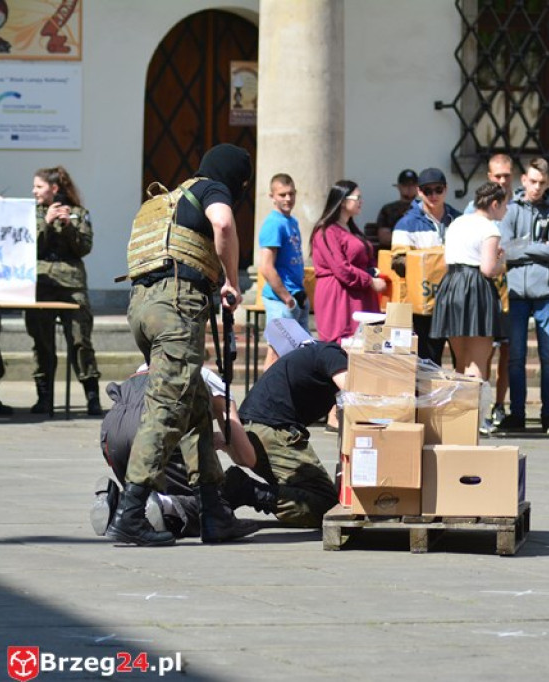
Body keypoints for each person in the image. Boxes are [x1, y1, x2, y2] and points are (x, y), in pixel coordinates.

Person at [105, 143, 256, 547]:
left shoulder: (163, 202)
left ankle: (213, 514)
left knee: (194, 407)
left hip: (141, 307)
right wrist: (232, 281)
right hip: (176, 306)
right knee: (166, 409)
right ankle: (130, 514)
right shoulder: (212, 189)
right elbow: (223, 224)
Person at [95, 365, 257, 539]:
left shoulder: (143, 367)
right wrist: (225, 442)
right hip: (152, 429)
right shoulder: (207, 377)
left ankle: (119, 504)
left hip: (113, 433)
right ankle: (167, 506)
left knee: (141, 493)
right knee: (214, 503)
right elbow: (247, 457)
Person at [222, 340, 346, 528]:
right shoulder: (333, 354)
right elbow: (354, 392)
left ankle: (234, 491)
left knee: (310, 495)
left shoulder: (319, 353)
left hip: (259, 428)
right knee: (327, 508)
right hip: (271, 431)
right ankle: (247, 490)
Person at [498, 158, 549, 435]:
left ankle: (548, 415)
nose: (537, 187)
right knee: (516, 357)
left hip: (546, 293)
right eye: (532, 181)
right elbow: (505, 249)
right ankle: (517, 414)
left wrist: (523, 246)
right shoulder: (510, 209)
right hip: (515, 292)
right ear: (524, 180)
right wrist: (537, 246)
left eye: (542, 183)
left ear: (547, 183)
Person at [27, 166, 102, 416]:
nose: (34, 191)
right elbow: (26, 249)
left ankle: (92, 397)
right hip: (41, 285)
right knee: (42, 343)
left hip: (72, 287)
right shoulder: (31, 214)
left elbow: (84, 247)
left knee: (81, 342)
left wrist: (68, 225)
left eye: (39, 186)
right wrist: (46, 224)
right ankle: (44, 398)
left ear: (54, 188)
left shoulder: (80, 213)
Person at [431, 181, 506, 381]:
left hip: (451, 284)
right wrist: (502, 263)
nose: (506, 210)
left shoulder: (457, 222)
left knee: (460, 361)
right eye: (505, 205)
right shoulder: (490, 228)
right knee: (477, 363)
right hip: (476, 288)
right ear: (495, 204)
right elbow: (488, 269)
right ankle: (474, 412)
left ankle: (460, 412)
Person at [391, 167, 462, 366]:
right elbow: (398, 262)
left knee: (462, 360)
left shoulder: (459, 220)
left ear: (446, 189)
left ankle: (460, 398)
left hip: (456, 300)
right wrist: (431, 263)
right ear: (419, 192)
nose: (433, 195)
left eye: (438, 189)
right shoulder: (406, 223)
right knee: (429, 361)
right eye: (427, 190)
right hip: (426, 304)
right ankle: (429, 398)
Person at [466, 154, 516, 425]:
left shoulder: (517, 205)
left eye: (506, 176)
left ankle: (499, 405)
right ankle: (479, 411)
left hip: (509, 287)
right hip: (483, 287)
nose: (502, 180)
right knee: (482, 351)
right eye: (497, 176)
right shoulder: (471, 211)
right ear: (488, 177)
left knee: (508, 352)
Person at [310, 180, 385, 344]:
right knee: (343, 347)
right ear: (343, 201)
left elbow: (366, 257)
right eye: (357, 197)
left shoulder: (352, 229)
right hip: (339, 297)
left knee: (365, 345)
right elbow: (341, 268)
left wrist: (375, 272)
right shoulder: (327, 231)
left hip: (360, 295)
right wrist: (370, 281)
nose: (361, 201)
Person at [258, 173, 309, 371]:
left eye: (291, 194)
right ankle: (261, 400)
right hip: (281, 300)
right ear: (272, 196)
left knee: (299, 354)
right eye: (282, 195)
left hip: (296, 295)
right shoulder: (274, 223)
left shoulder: (292, 221)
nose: (288, 199)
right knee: (276, 353)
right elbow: (266, 267)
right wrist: (286, 297)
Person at [373, 169, 418, 250]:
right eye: (405, 185)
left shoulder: (425, 208)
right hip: (395, 255)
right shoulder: (388, 210)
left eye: (413, 185)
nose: (409, 188)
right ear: (398, 187)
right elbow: (384, 238)